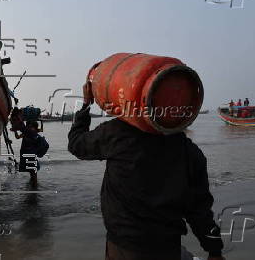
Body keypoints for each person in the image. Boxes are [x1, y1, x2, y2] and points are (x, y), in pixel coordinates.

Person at [68, 79, 225, 260]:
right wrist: (214, 251)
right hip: (167, 248)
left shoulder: (116, 133)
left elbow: (76, 144)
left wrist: (86, 104)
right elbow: (200, 211)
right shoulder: (190, 153)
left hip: (122, 247)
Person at [11, 111, 49, 188]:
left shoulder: (32, 133)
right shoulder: (27, 132)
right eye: (28, 125)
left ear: (33, 127)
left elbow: (23, 128)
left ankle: (35, 189)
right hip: (27, 155)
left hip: (30, 155)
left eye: (30, 126)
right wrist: (15, 131)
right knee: (32, 172)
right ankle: (34, 187)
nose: (28, 127)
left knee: (33, 172)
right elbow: (18, 137)